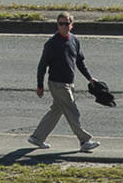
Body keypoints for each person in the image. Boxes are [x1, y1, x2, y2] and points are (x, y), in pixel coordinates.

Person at [29, 12, 101, 152]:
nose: (64, 26)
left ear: (71, 25)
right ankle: (84, 141)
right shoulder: (51, 44)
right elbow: (42, 66)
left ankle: (37, 138)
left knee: (56, 111)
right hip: (57, 84)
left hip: (69, 83)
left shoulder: (74, 40)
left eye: (67, 23)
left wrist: (89, 78)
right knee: (72, 111)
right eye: (61, 24)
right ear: (57, 25)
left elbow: (79, 62)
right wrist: (40, 85)